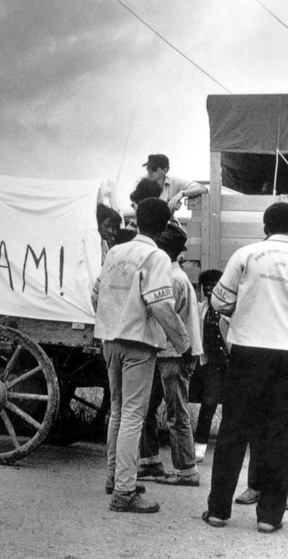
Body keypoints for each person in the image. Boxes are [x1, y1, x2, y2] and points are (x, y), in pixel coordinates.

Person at [203, 202, 288, 533]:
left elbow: (220, 302)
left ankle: (218, 512)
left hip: (250, 350)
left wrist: (247, 310)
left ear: (265, 227)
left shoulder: (247, 255)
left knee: (234, 430)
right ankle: (269, 517)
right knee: (281, 434)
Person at [95, 198, 191, 514]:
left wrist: (112, 317)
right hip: (138, 343)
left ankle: (114, 478)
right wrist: (183, 343)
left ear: (137, 218)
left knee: (119, 411)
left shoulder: (115, 252)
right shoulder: (156, 256)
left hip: (110, 339)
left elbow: (95, 293)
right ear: (164, 228)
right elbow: (161, 305)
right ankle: (124, 492)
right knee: (133, 415)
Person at [137, 224, 203, 487]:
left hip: (172, 354)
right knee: (148, 409)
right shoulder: (177, 275)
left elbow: (165, 318)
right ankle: (150, 461)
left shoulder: (172, 279)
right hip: (168, 353)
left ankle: (186, 469)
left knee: (176, 413)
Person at [192, 269, 228, 463]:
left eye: (213, 285)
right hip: (213, 365)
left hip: (233, 365)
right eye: (205, 285)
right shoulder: (201, 309)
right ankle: (200, 447)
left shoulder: (231, 309)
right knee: (208, 403)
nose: (208, 289)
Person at [142, 154, 208, 213]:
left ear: (165, 170)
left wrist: (182, 193)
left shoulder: (174, 182)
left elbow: (202, 188)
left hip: (165, 224)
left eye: (154, 169)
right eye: (148, 168)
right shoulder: (141, 183)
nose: (149, 172)